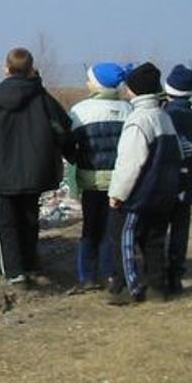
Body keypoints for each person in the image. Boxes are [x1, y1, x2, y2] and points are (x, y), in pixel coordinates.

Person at [0, 47, 73, 285]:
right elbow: (62, 129)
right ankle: (31, 265)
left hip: (2, 170)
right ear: (31, 69)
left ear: (6, 69)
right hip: (36, 170)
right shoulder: (43, 98)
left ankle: (14, 273)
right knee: (29, 218)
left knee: (5, 223)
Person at [106, 63, 183, 305]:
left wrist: (117, 193)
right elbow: (178, 152)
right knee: (154, 241)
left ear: (134, 90)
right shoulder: (164, 117)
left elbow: (130, 163)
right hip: (164, 193)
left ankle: (130, 288)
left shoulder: (138, 120)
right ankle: (158, 287)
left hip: (139, 196)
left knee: (123, 238)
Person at [67, 62, 131, 291]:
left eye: (89, 79)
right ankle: (110, 273)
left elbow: (68, 142)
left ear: (98, 84)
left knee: (90, 229)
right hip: (120, 183)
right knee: (112, 231)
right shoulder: (128, 109)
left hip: (92, 180)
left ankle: (87, 275)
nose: (86, 82)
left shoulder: (80, 111)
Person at [162, 64, 192, 293]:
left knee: (159, 228)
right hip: (188, 183)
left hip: (164, 184)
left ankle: (158, 271)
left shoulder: (165, 117)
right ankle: (176, 273)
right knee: (181, 228)